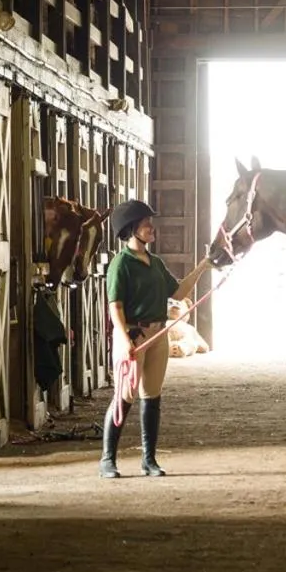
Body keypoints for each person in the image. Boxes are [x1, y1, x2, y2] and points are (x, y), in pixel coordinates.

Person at [99, 199, 205, 478]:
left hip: (159, 333)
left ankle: (149, 459)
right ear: (131, 228)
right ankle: (107, 460)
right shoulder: (120, 265)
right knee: (124, 396)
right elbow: (115, 307)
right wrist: (124, 340)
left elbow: (179, 292)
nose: (151, 226)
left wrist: (204, 266)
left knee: (152, 396)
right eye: (146, 223)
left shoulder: (155, 263)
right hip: (134, 335)